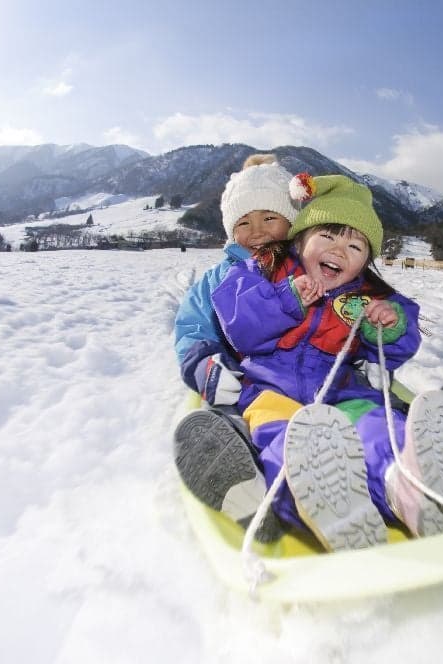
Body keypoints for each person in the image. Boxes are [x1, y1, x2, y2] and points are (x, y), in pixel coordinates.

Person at [211, 174, 443, 551]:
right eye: (328, 236)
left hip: (340, 388)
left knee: (374, 429)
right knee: (286, 441)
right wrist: (287, 299)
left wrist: (388, 323)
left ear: (364, 263)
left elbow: (399, 345)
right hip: (270, 387)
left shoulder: (363, 296)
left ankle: (409, 487)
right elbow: (239, 324)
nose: (340, 250)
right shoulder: (263, 271)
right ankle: (317, 501)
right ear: (300, 239)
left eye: (355, 246)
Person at [173, 153, 299, 541]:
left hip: (313, 371)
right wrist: (204, 366)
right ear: (231, 231)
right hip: (246, 378)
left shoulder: (310, 267)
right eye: (244, 222)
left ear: (291, 221)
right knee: (247, 417)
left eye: (269, 218)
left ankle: (408, 443)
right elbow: (193, 326)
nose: (257, 231)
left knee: (356, 406)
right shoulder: (217, 279)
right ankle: (244, 485)